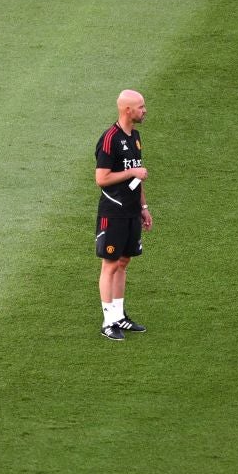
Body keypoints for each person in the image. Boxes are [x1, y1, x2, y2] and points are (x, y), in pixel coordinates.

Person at [94, 89, 153, 340]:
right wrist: (132, 173)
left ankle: (119, 316)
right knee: (109, 265)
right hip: (113, 212)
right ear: (127, 110)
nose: (144, 110)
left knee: (124, 262)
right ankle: (108, 322)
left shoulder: (135, 137)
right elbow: (102, 178)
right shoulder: (109, 139)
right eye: (140, 107)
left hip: (130, 211)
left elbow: (137, 176)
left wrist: (143, 207)